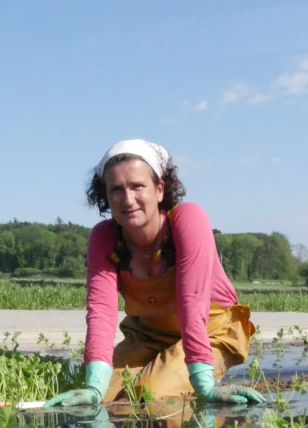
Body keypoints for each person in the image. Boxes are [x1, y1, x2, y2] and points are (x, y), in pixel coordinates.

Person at [45, 139, 264, 409]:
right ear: (106, 195)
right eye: (116, 189)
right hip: (147, 334)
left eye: (137, 186)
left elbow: (192, 303)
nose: (127, 199)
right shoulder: (104, 237)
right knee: (106, 394)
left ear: (159, 189)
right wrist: (93, 387)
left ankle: (200, 396)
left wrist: (203, 382)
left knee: (147, 392)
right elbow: (101, 311)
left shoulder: (187, 220)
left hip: (210, 330)